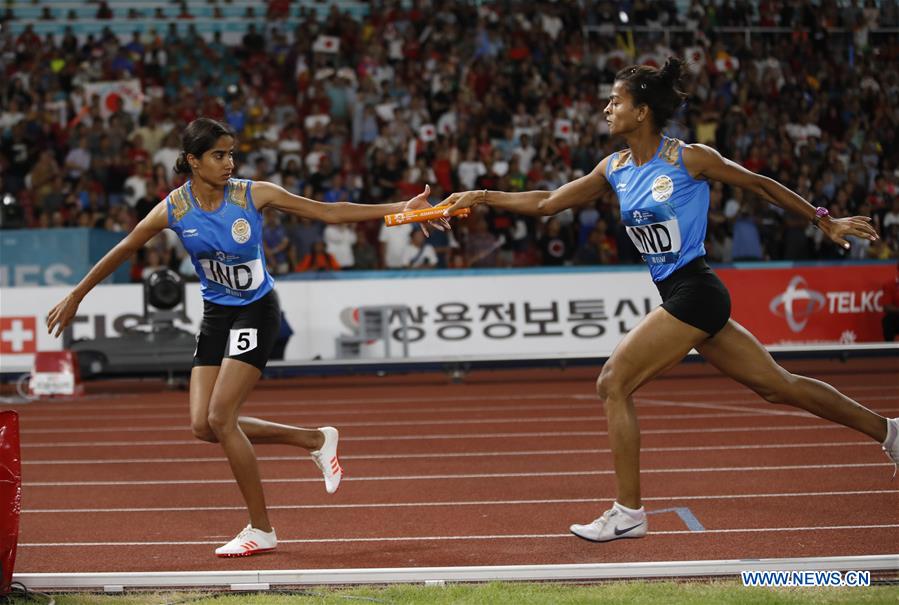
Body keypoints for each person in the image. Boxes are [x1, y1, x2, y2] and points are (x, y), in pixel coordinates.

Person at [441, 58, 899, 543]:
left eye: (616, 101)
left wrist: (822, 218)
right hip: (684, 293)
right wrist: (484, 196)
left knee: (612, 382)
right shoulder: (614, 167)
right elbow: (548, 203)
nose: (606, 108)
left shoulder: (688, 158)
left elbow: (759, 184)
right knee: (777, 386)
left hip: (695, 288)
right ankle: (890, 432)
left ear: (641, 112)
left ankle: (628, 512)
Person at [46, 117, 445, 557]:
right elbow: (124, 247)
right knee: (203, 425)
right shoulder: (174, 209)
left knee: (221, 417)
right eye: (219, 155)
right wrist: (76, 295)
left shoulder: (253, 194)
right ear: (193, 161)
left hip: (257, 310)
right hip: (217, 315)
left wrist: (400, 212)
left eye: (231, 153)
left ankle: (261, 529)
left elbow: (330, 211)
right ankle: (314, 439)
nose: (229, 162)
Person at [882, 259, 899, 342]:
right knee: (888, 320)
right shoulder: (890, 285)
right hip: (897, 317)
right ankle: (889, 348)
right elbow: (887, 307)